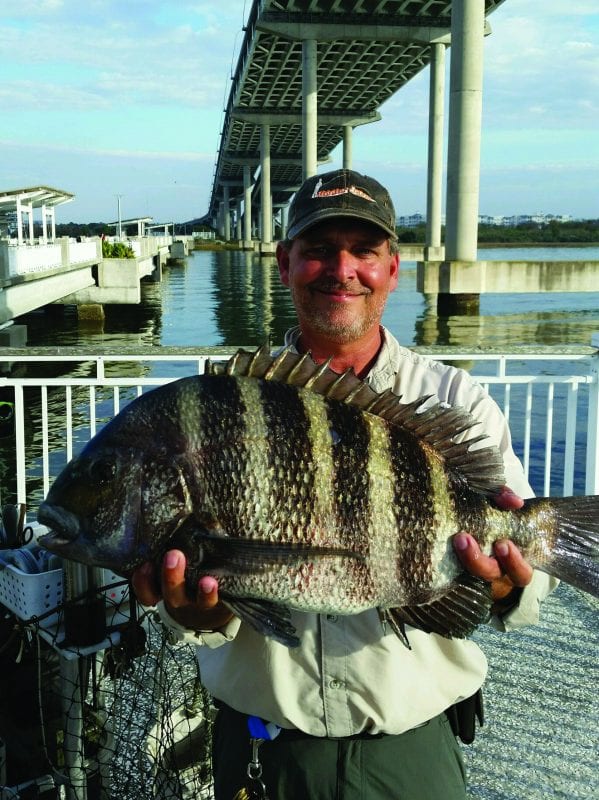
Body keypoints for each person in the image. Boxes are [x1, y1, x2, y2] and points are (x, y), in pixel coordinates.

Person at [132, 169, 557, 799]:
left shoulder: (455, 403)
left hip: (410, 754)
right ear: (285, 263)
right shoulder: (227, 406)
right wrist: (196, 612)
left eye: (364, 250)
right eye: (318, 250)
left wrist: (508, 583)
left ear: (393, 267)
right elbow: (197, 608)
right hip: (260, 752)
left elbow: (527, 581)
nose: (342, 268)